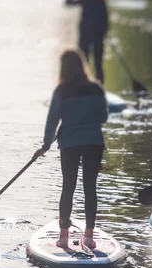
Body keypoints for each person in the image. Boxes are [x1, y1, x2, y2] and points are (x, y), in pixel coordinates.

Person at [33, 49, 108, 249]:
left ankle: (64, 237)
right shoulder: (96, 89)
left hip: (69, 142)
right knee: (90, 188)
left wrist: (46, 145)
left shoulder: (61, 91)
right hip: (94, 142)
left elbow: (52, 121)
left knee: (68, 186)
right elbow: (103, 117)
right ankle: (89, 237)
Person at [65, 0, 110, 83]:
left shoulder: (85, 0)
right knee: (98, 64)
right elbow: (106, 21)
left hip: (85, 36)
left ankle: (83, 84)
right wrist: (104, 33)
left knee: (83, 61)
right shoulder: (102, 2)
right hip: (98, 36)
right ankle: (100, 86)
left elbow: (67, 2)